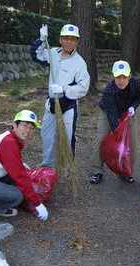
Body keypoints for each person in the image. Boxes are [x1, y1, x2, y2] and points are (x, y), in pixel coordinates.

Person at [30, 24, 90, 167]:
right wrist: (42, 40)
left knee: (68, 138)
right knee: (47, 135)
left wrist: (64, 89)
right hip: (51, 103)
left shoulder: (79, 63)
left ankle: (68, 167)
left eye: (72, 39)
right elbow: (36, 55)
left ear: (77, 42)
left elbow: (84, 87)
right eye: (66, 38)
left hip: (68, 105)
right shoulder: (53, 53)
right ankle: (47, 167)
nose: (69, 41)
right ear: (60, 39)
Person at [89, 60, 140, 184]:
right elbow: (112, 118)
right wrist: (119, 136)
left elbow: (139, 97)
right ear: (113, 76)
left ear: (129, 76)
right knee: (101, 138)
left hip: (128, 112)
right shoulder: (109, 91)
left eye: (124, 77)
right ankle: (97, 171)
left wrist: (133, 107)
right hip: (108, 112)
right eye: (118, 77)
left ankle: (125, 171)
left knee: (131, 142)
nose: (121, 80)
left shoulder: (138, 84)